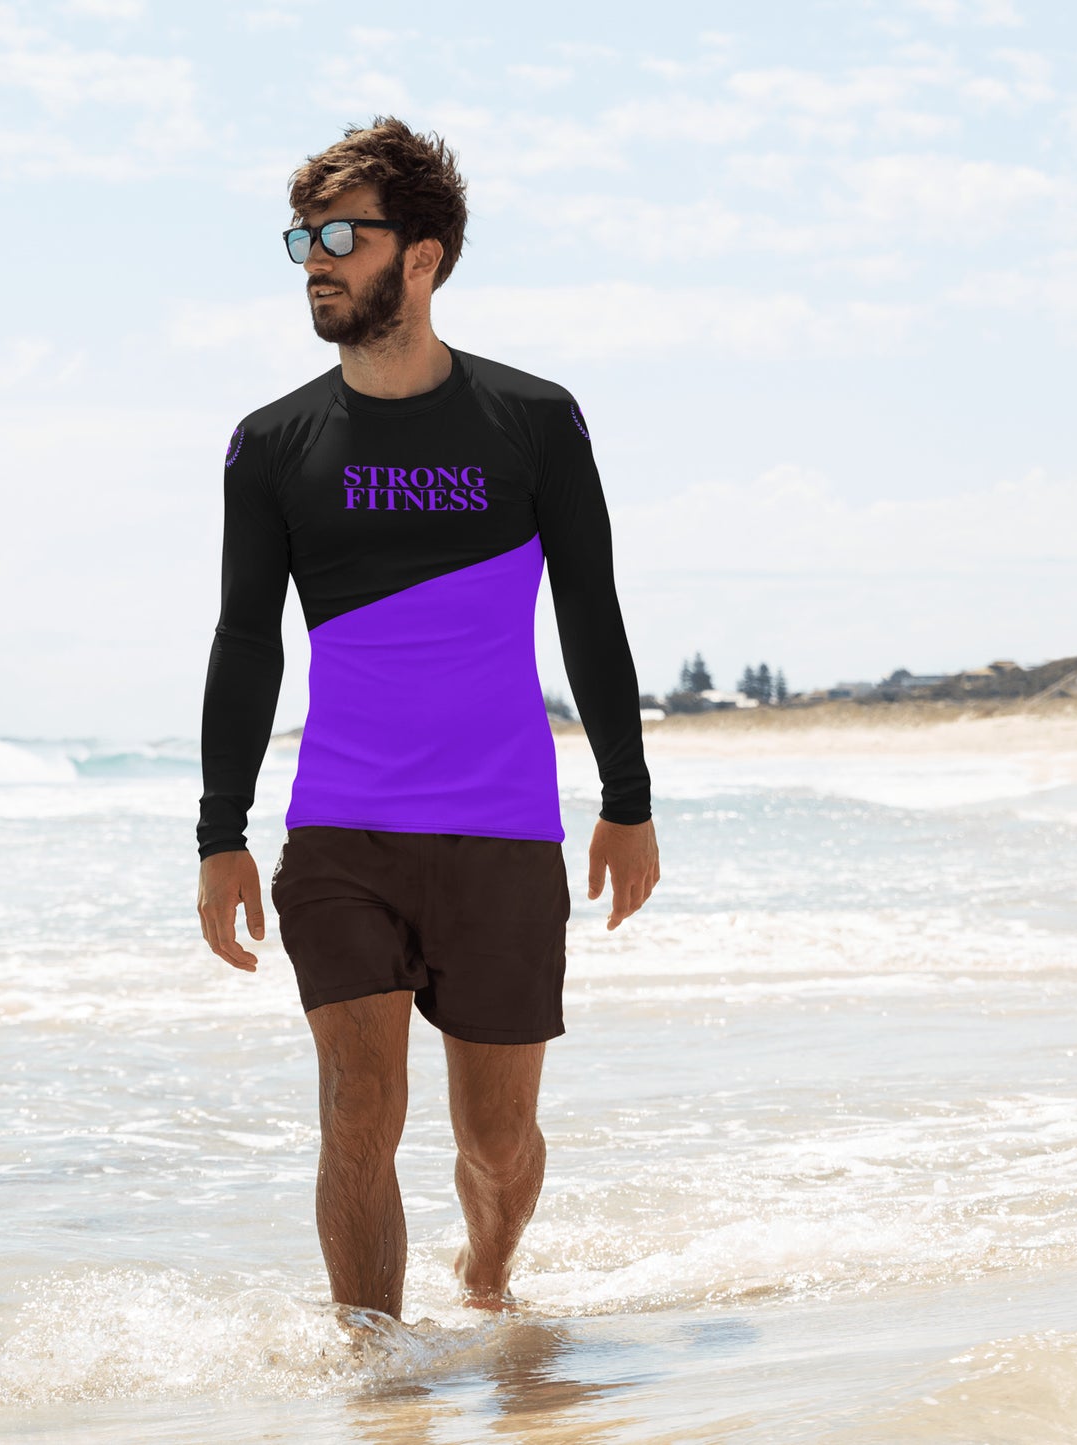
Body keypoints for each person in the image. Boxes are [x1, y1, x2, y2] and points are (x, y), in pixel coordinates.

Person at [197, 115, 659, 1322]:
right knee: (357, 1109)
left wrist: (626, 800)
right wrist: (219, 831)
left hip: (501, 829)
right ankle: (375, 1376)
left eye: (340, 236)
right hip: (341, 831)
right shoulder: (270, 445)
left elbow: (590, 613)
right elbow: (246, 640)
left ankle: (489, 1274)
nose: (314, 262)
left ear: (423, 256)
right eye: (301, 238)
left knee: (496, 1142)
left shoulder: (532, 421)